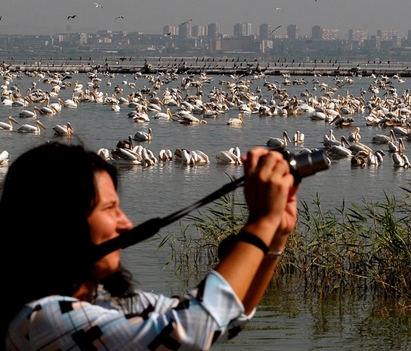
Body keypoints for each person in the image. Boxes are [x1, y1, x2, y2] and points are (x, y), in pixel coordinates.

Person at [2, 141, 299, 350]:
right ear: (61, 222)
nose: (126, 224)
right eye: (110, 209)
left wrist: (276, 236)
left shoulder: (106, 302)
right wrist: (261, 222)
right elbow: (193, 329)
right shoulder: (39, 320)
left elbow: (227, 320)